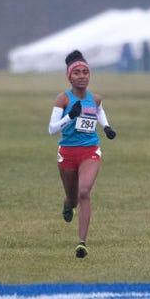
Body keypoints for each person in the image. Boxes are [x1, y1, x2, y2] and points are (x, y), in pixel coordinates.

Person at [46, 50, 117, 259]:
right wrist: (70, 116)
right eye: (77, 72)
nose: (82, 76)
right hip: (67, 153)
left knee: (84, 191)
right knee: (73, 199)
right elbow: (52, 129)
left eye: (85, 72)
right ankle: (68, 204)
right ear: (69, 77)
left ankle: (82, 243)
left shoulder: (94, 98)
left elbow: (99, 111)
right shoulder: (62, 99)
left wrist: (107, 127)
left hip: (90, 150)